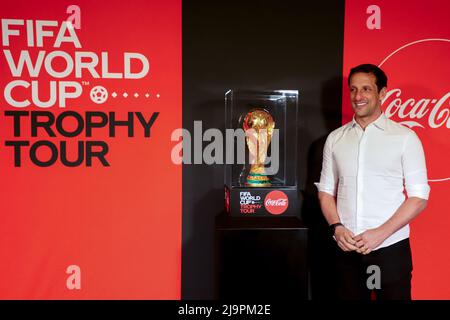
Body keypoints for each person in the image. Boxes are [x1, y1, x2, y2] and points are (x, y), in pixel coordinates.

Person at [315, 64, 430, 300]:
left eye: (366, 89)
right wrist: (336, 228)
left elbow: (419, 197)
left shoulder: (405, 138)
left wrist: (380, 233)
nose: (358, 96)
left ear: (383, 93)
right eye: (353, 90)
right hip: (346, 251)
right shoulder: (336, 139)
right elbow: (325, 191)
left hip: (390, 250)